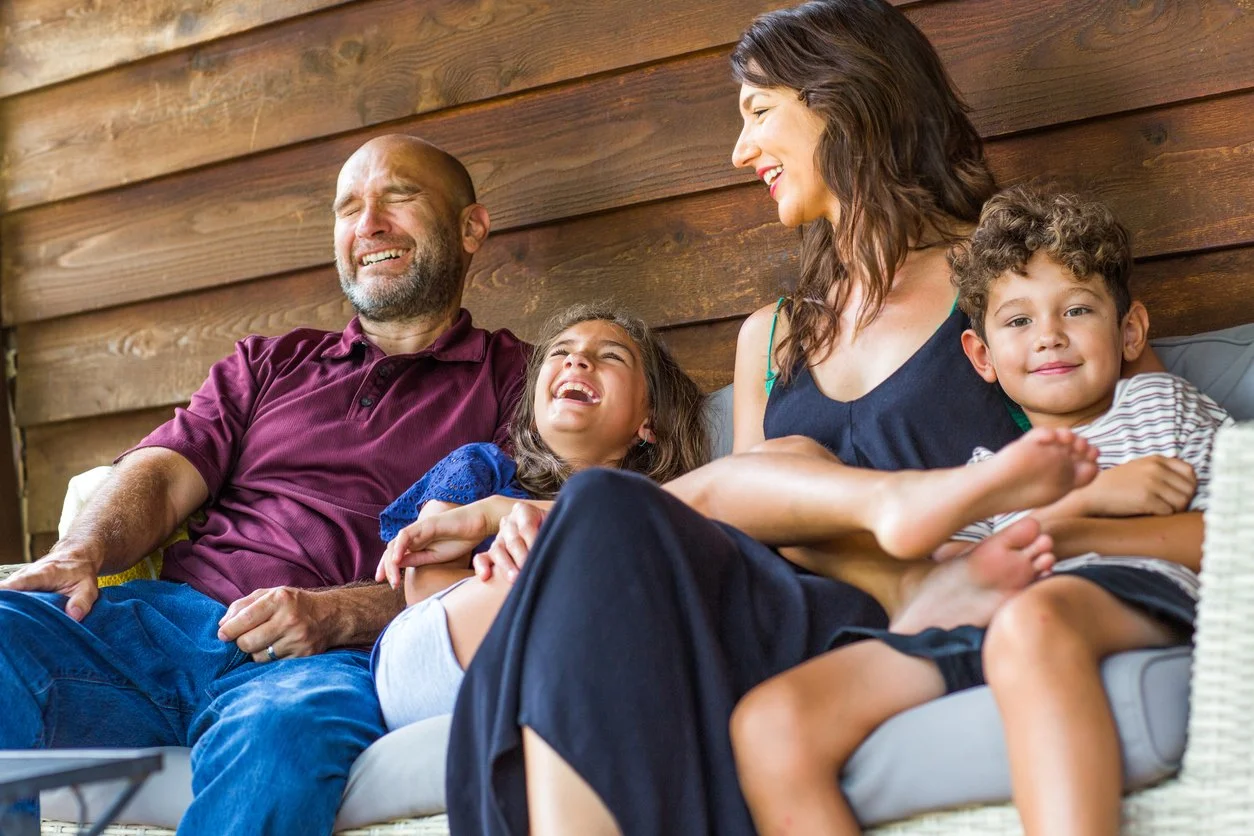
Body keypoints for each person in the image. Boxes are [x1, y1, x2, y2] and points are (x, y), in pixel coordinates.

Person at [442, 5, 1160, 833]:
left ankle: (896, 519)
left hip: (943, 611)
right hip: (811, 609)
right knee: (600, 506)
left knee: (595, 510)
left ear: (842, 98)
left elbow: (1142, 443)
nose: (740, 151)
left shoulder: (1012, 287)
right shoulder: (774, 334)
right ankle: (892, 509)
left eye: (757, 112)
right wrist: (894, 569)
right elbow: (752, 541)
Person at [0, 134, 529, 836]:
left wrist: (335, 613)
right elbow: (160, 476)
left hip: (313, 663)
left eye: (398, 198)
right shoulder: (271, 363)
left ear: (470, 228)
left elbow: (501, 567)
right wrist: (83, 549)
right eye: (349, 208)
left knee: (279, 741)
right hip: (161, 626)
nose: (368, 224)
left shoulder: (516, 384)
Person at [730, 188, 1232, 836]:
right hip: (982, 620)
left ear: (1129, 329)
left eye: (1076, 309)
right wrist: (1067, 515)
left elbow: (1234, 534)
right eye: (1018, 321)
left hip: (1120, 601)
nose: (1048, 335)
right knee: (771, 722)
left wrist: (1071, 535)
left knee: (1032, 621)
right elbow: (953, 575)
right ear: (982, 357)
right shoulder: (982, 475)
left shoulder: (1159, 406)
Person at [370, 303, 710, 730]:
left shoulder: (664, 508)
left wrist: (498, 515)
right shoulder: (481, 467)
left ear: (650, 419)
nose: (577, 360)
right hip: (437, 656)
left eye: (611, 356)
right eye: (560, 352)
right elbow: (424, 593)